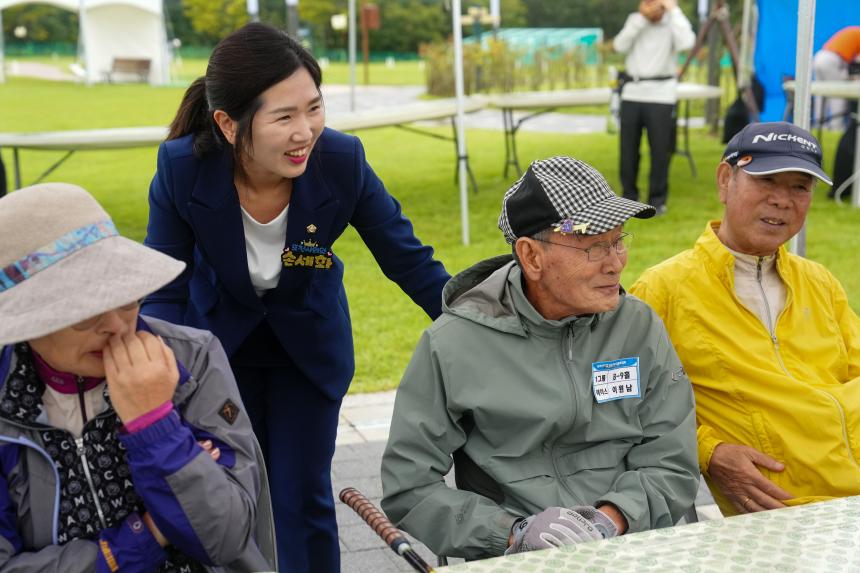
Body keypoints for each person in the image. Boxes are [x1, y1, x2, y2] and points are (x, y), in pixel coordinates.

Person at [142, 22, 450, 572]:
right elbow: (164, 288)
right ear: (228, 123)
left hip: (306, 350)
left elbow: (408, 259)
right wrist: (159, 375)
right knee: (233, 496)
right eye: (283, 116)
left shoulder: (341, 160)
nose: (305, 130)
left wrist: (471, 325)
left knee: (302, 497)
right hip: (218, 354)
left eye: (314, 107)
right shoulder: (183, 167)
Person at [380, 157, 699, 560]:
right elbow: (409, 488)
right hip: (517, 556)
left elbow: (672, 458)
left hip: (630, 543)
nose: (615, 262)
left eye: (618, 241)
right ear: (531, 257)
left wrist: (609, 520)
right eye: (595, 246)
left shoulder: (637, 325)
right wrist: (511, 533)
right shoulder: (453, 345)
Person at [0, 183, 273, 572]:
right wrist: (143, 536)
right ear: (26, 320)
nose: (115, 325)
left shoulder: (191, 359)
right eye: (85, 311)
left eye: (125, 296)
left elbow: (227, 537)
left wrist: (156, 425)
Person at [631, 122, 860, 517]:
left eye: (799, 188)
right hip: (795, 510)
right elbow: (624, 408)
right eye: (767, 181)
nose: (782, 201)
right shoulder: (663, 289)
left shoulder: (820, 282)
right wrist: (709, 452)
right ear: (725, 180)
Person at [613, 0, 695, 215]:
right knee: (628, 149)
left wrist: (674, 11)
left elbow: (687, 42)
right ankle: (628, 197)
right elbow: (619, 45)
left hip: (662, 93)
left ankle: (657, 200)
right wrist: (641, 18)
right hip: (632, 90)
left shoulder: (672, 22)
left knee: (660, 150)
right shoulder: (635, 21)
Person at [812, 26, 860, 128]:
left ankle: (820, 127)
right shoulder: (857, 33)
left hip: (818, 57)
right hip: (832, 60)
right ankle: (836, 128)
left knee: (820, 95)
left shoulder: (853, 30)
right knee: (838, 95)